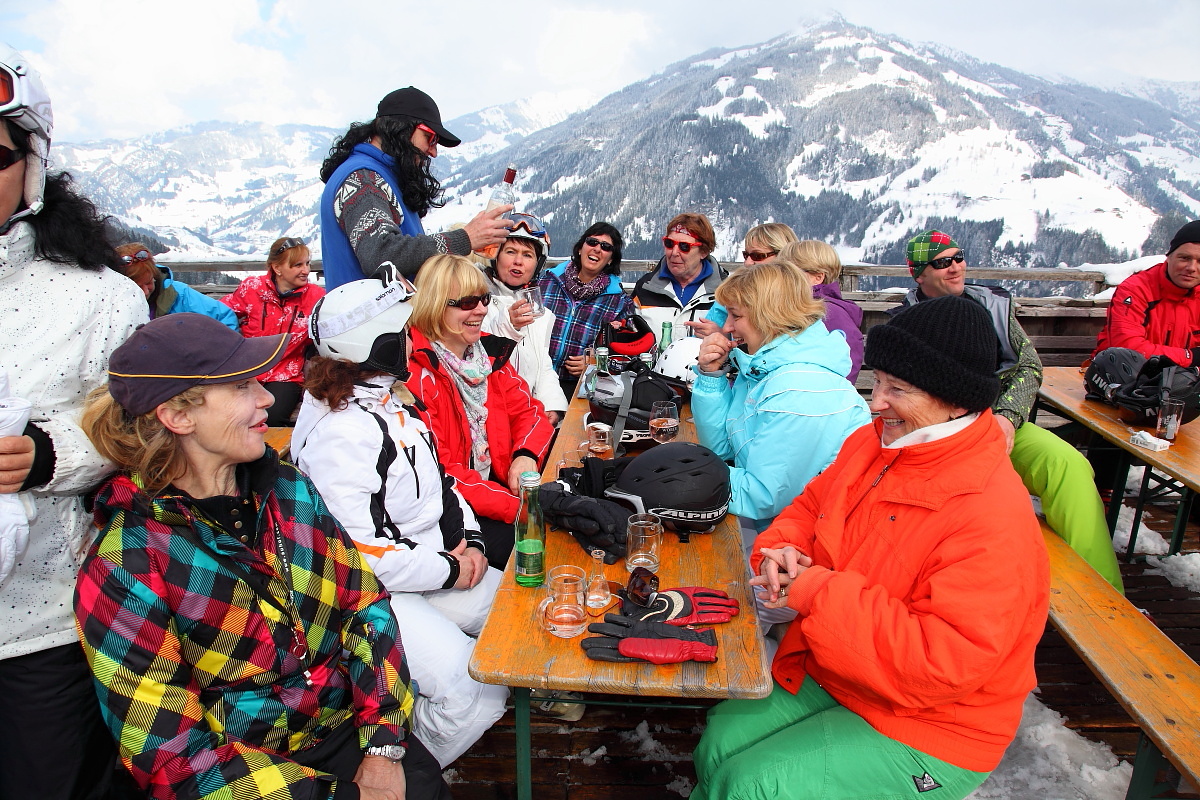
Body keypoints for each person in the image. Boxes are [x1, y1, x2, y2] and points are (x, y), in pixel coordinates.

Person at [76, 313, 450, 800]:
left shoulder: (287, 491)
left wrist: (383, 745)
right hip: (249, 774)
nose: (267, 398)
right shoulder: (124, 566)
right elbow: (172, 757)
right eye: (241, 385)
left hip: (352, 733)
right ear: (178, 415)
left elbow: (365, 607)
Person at [692, 296, 1050, 800]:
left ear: (955, 400)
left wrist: (814, 590)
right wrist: (780, 549)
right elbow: (807, 507)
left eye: (896, 388)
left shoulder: (989, 512)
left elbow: (943, 664)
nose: (875, 400)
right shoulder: (877, 442)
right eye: (877, 379)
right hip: (844, 667)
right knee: (720, 743)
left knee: (754, 787)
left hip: (936, 723)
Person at [0, 44, 147, 800]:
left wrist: (43, 451)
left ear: (31, 163)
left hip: (39, 627)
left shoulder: (99, 296)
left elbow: (132, 427)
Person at [293, 279, 509, 768]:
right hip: (372, 596)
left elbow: (442, 487)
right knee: (475, 687)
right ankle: (406, 776)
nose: (416, 340)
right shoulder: (342, 433)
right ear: (381, 344)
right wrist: (452, 570)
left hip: (429, 567)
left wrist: (471, 541)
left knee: (521, 610)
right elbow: (361, 559)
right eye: (407, 331)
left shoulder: (385, 402)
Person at [893, 230, 1123, 589]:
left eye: (958, 257)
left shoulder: (994, 306)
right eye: (941, 263)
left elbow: (1029, 367)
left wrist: (1007, 417)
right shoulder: (904, 322)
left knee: (1068, 465)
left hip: (994, 424)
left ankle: (1104, 594)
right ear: (919, 274)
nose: (955, 268)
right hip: (937, 438)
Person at [692, 260, 870, 547]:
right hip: (772, 533)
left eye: (735, 315)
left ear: (768, 317)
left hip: (802, 550)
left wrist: (686, 472)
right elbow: (721, 449)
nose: (726, 327)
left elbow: (763, 496)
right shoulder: (764, 366)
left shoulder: (800, 389)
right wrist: (711, 378)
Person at [407, 254, 555, 569]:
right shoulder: (415, 374)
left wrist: (525, 454)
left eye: (484, 298)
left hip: (495, 487)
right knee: (539, 547)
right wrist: (523, 507)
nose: (481, 310)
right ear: (434, 305)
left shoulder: (485, 355)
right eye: (467, 302)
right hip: (450, 509)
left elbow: (530, 413)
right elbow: (442, 472)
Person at [319, 86, 512, 290]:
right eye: (431, 138)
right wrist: (465, 238)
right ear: (400, 128)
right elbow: (380, 254)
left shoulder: (381, 176)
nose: (434, 151)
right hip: (369, 320)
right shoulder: (362, 178)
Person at [221, 236, 325, 426]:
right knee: (231, 416)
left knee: (272, 417)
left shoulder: (316, 297)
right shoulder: (252, 288)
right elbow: (221, 313)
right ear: (277, 268)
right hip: (247, 370)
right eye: (297, 265)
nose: (306, 270)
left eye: (307, 263)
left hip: (286, 373)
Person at [478, 213, 568, 424]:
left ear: (537, 264)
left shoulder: (541, 314)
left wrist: (551, 406)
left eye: (527, 255)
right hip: (491, 418)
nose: (518, 261)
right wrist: (509, 325)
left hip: (528, 418)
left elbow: (543, 366)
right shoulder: (473, 301)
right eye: (510, 252)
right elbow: (478, 360)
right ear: (496, 256)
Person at [539, 222, 637, 399]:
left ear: (611, 259)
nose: (597, 249)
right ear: (580, 248)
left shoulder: (619, 301)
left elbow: (631, 351)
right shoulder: (546, 282)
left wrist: (596, 361)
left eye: (606, 247)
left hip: (581, 388)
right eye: (592, 242)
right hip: (537, 379)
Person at [1091, 219, 1200, 367]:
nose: (1191, 267)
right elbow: (1127, 349)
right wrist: (1190, 357)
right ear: (1169, 257)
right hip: (1122, 378)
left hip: (1184, 382)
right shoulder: (1136, 290)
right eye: (1184, 258)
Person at [687, 221, 797, 338]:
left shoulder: (801, 302)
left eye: (757, 256)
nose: (748, 262)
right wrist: (720, 336)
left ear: (783, 257)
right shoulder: (732, 296)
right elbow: (702, 339)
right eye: (746, 255)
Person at [780, 239, 864, 382]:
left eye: (790, 272)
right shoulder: (796, 305)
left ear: (817, 277)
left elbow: (847, 365)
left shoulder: (828, 312)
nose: (781, 277)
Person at [632, 212, 728, 336]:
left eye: (684, 246)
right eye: (669, 244)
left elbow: (745, 344)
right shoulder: (645, 288)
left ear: (703, 252)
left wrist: (723, 336)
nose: (674, 252)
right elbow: (631, 335)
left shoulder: (727, 293)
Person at [115, 242, 239, 330]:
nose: (146, 291)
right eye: (138, 286)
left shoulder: (179, 294)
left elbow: (224, 316)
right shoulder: (109, 305)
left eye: (148, 283)